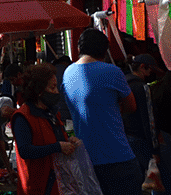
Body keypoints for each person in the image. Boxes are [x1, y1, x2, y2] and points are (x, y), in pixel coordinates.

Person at [62, 28, 143, 195]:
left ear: (79, 49)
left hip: (84, 158)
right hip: (117, 156)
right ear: (104, 51)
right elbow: (131, 106)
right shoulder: (112, 72)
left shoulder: (67, 73)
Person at [12, 64, 80, 195]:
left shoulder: (51, 113)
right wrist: (58, 147)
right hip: (37, 187)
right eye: (52, 87)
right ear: (39, 91)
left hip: (58, 183)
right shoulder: (22, 117)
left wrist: (69, 141)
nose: (56, 92)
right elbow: (25, 150)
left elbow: (57, 139)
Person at [123, 54, 161, 178]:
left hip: (124, 137)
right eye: (150, 69)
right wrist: (154, 148)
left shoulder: (123, 84)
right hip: (139, 138)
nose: (150, 74)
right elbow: (149, 118)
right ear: (142, 67)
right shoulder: (142, 88)